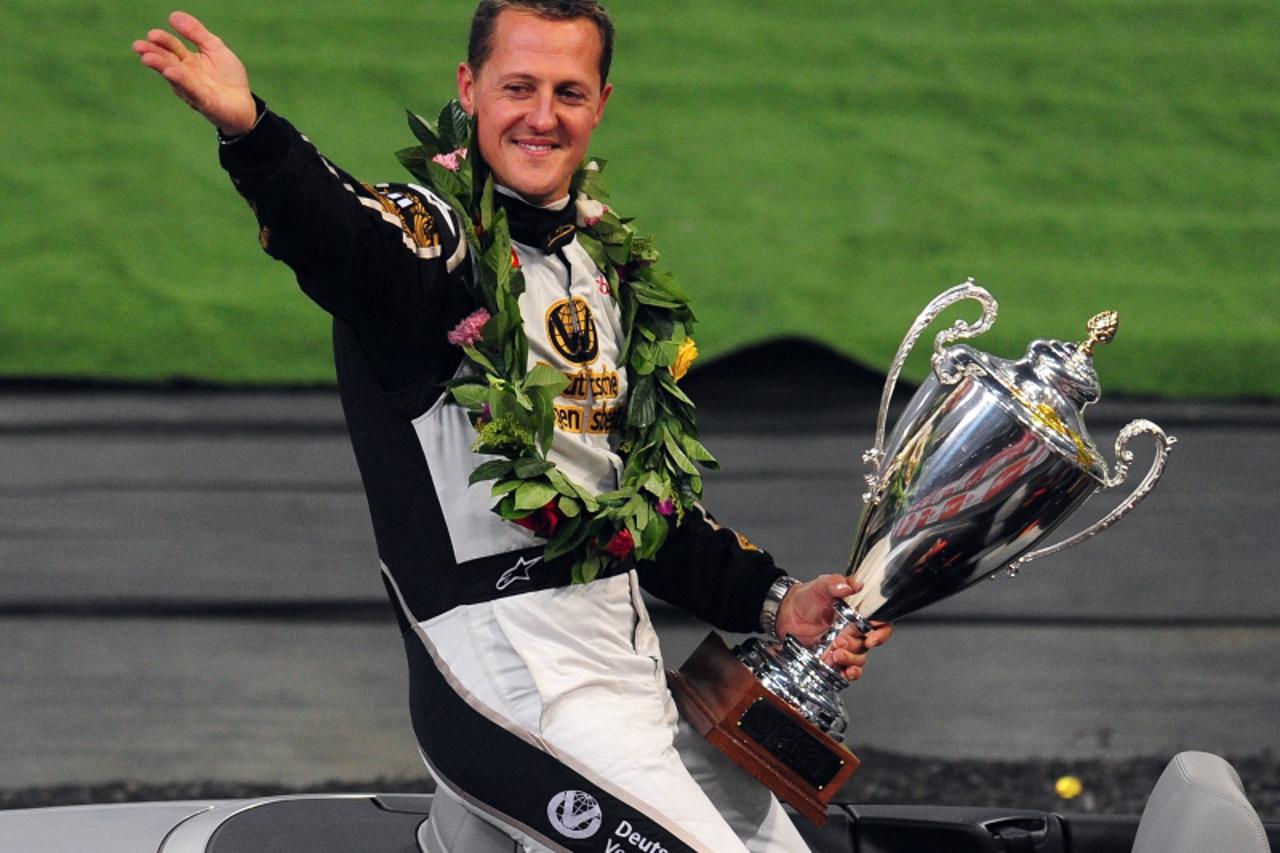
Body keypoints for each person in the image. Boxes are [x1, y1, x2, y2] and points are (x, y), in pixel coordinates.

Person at [134, 4, 892, 851]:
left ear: (600, 102)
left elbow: (628, 519)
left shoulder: (601, 271)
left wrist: (777, 599)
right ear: (470, 89)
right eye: (517, 87)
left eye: (568, 91)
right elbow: (347, 240)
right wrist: (255, 136)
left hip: (630, 681)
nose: (542, 115)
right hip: (510, 686)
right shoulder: (438, 243)